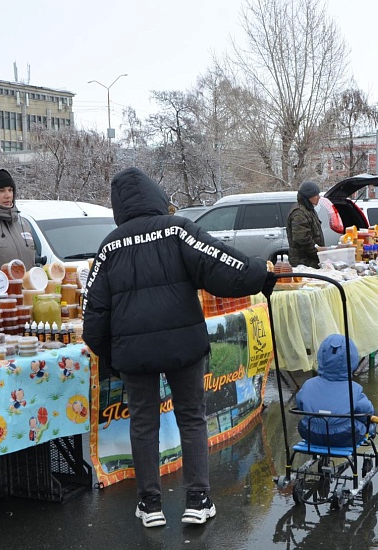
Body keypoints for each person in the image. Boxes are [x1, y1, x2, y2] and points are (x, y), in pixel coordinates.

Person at [83, 167, 275, 528]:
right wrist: (259, 274)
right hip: (183, 344)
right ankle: (197, 500)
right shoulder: (177, 230)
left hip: (134, 352)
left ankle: (150, 504)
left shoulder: (109, 246)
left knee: (142, 422)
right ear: (155, 195)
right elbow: (221, 262)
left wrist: (109, 353)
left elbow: (92, 312)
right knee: (191, 416)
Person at [295, 334, 376, 447]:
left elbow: (299, 403)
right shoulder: (354, 389)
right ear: (352, 360)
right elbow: (366, 411)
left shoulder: (308, 384)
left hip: (310, 432)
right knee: (368, 425)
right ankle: (371, 432)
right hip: (343, 435)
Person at [286, 181, 325, 268]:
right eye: (316, 195)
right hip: (303, 263)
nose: (319, 197)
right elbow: (302, 239)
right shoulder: (299, 213)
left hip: (310, 261)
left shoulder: (309, 210)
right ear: (308, 196)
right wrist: (318, 252)